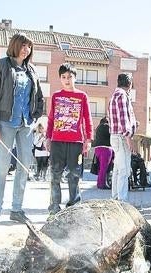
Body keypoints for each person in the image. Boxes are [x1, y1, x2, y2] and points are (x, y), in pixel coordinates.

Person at [0, 33, 44, 225]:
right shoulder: (1, 65)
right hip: (5, 123)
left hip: (26, 125)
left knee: (24, 166)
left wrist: (35, 118)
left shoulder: (32, 70)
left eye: (29, 47)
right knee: (2, 167)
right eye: (24, 45)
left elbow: (39, 97)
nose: (26, 49)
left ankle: (16, 209)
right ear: (15, 45)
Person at [46, 63, 92, 216]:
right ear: (60, 79)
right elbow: (51, 119)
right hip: (57, 141)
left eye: (70, 77)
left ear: (75, 78)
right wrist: (47, 137)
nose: (67, 80)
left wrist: (89, 139)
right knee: (55, 174)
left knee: (74, 174)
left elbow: (87, 118)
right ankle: (54, 206)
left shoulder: (82, 96)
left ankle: (74, 204)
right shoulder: (56, 96)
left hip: (76, 142)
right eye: (64, 77)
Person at [108, 73, 136, 201]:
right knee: (124, 170)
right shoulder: (123, 96)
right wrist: (129, 139)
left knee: (118, 169)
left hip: (115, 136)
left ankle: (115, 197)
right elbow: (123, 120)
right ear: (129, 84)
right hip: (121, 137)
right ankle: (122, 200)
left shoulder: (114, 95)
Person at [92, 117, 112, 189]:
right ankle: (101, 184)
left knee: (100, 168)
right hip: (106, 149)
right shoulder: (107, 127)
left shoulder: (98, 128)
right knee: (104, 168)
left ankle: (99, 183)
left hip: (97, 149)